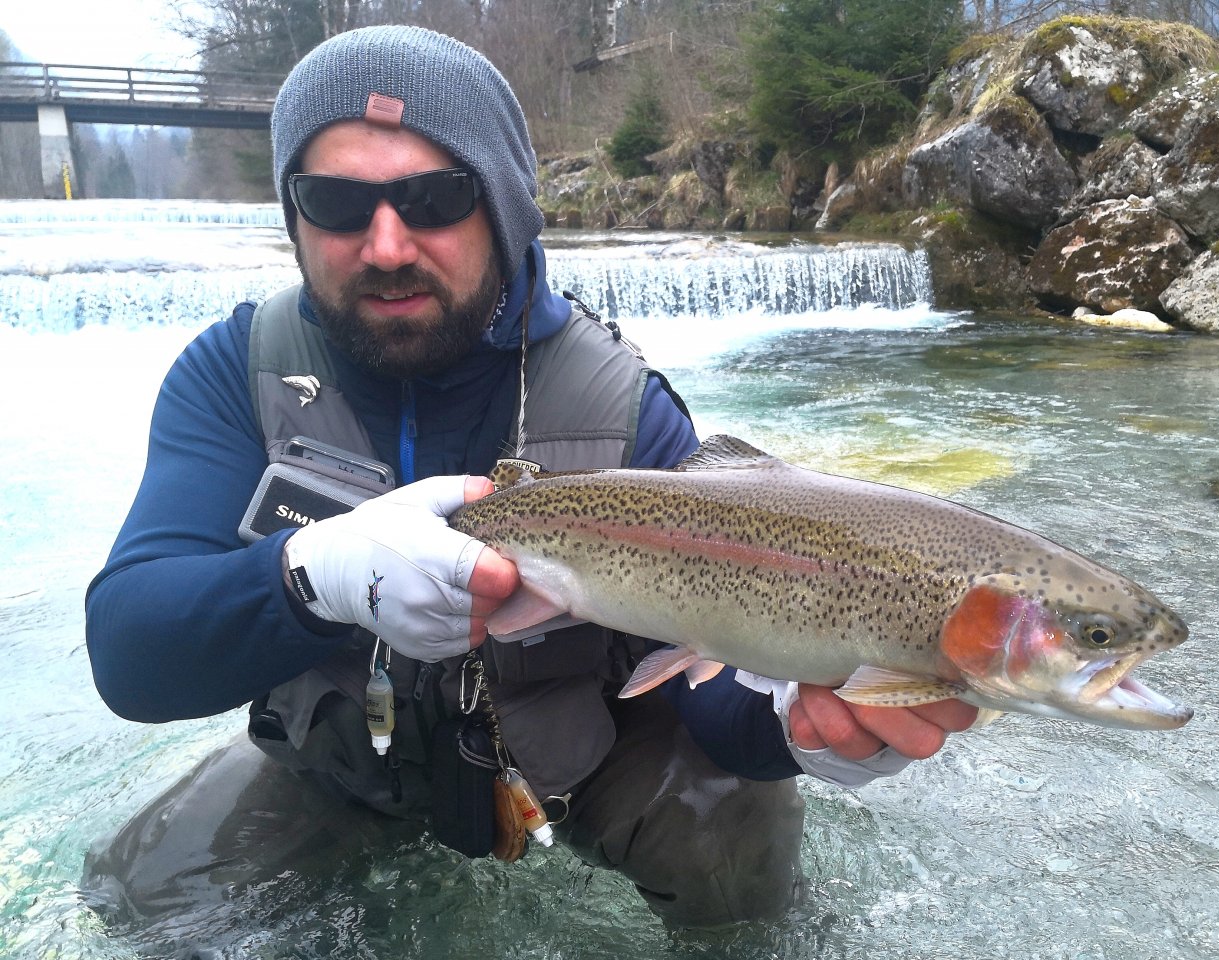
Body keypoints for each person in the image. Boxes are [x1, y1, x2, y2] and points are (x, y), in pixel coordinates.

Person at [82, 25, 975, 948]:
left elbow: (709, 687)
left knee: (736, 832)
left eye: (435, 197)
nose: (385, 245)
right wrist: (309, 577)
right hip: (339, 764)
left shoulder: (623, 407)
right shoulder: (237, 371)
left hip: (573, 763)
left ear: (503, 210)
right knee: (137, 889)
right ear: (294, 216)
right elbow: (131, 650)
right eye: (337, 203)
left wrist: (803, 722)